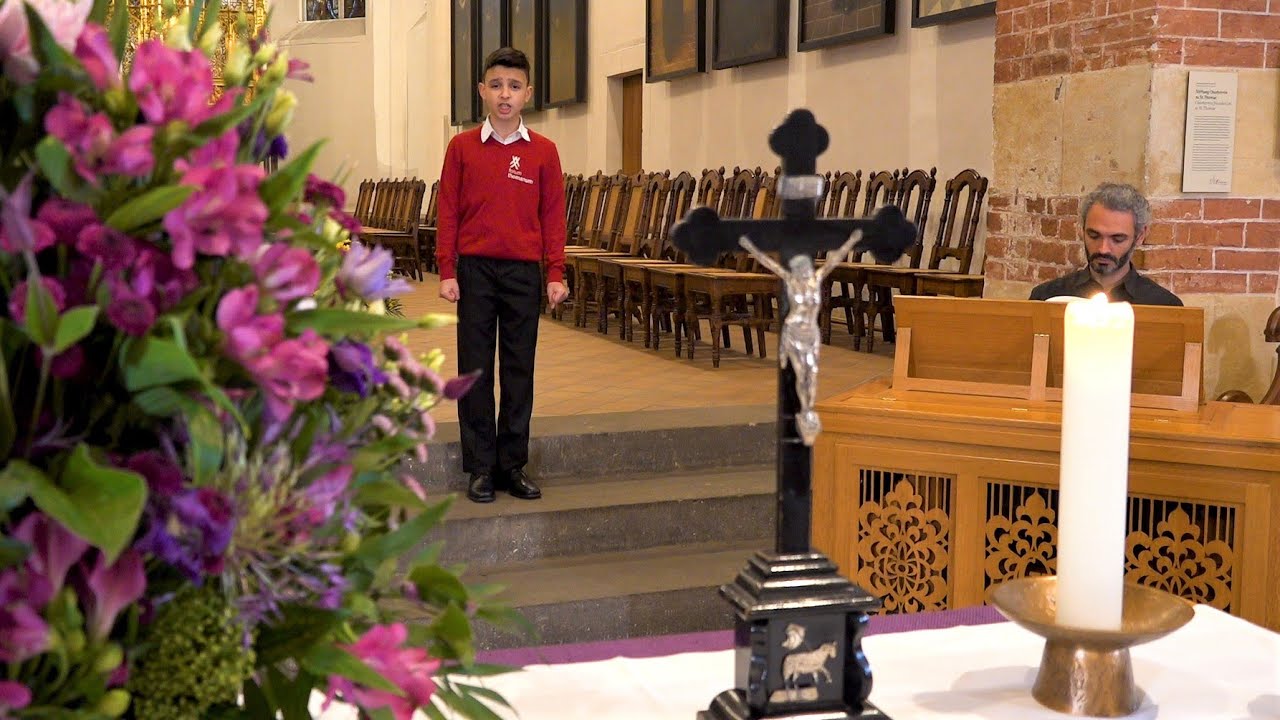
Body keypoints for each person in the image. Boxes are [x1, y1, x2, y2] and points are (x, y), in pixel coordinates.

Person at [436, 47, 568, 503]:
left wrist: (555, 273)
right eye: (496, 86)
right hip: (474, 271)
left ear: (527, 94)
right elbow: (448, 211)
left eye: (514, 86)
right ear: (482, 92)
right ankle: (480, 467)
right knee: (474, 369)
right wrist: (446, 270)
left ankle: (513, 464)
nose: (504, 95)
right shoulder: (462, 149)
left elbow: (553, 217)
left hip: (521, 275)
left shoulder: (544, 153)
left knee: (518, 370)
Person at [739, 233, 858, 447]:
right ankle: (797, 413)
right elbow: (769, 264)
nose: (800, 272)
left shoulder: (816, 279)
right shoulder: (791, 280)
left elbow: (835, 259)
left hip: (811, 333)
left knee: (810, 375)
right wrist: (751, 247)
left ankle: (806, 411)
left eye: (802, 268)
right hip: (793, 333)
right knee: (797, 374)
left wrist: (852, 240)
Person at [1029, 182, 1182, 306]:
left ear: (1140, 236)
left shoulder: (1163, 306)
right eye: (1094, 236)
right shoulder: (1047, 298)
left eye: (1117, 239)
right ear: (1081, 230)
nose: (1103, 249)